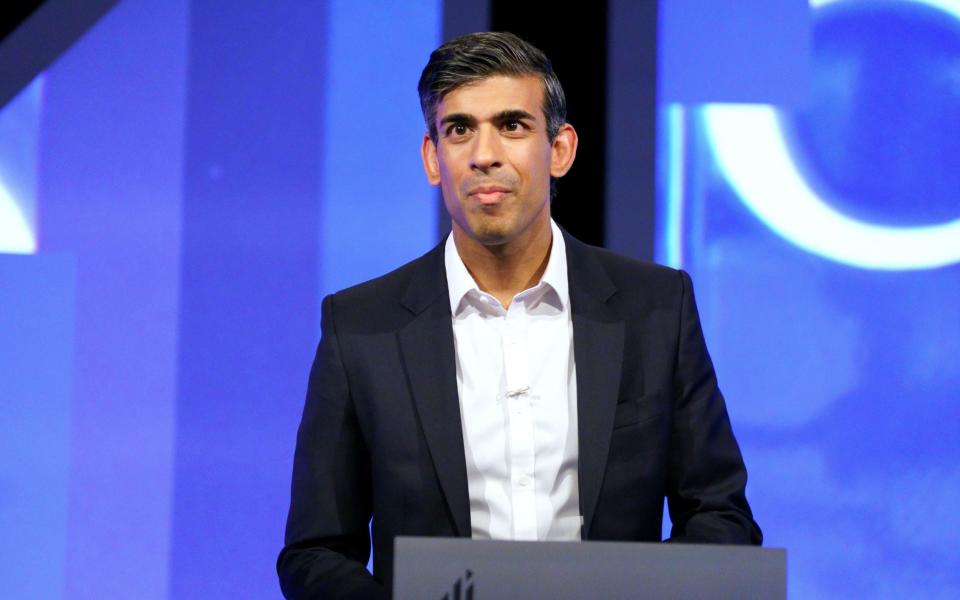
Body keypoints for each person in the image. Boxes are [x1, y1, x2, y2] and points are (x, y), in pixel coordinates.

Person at [277, 31, 761, 600]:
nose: (485, 154)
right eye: (459, 129)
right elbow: (316, 552)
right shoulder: (360, 326)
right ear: (433, 158)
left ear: (560, 149)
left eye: (512, 125)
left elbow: (721, 519)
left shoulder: (656, 308)